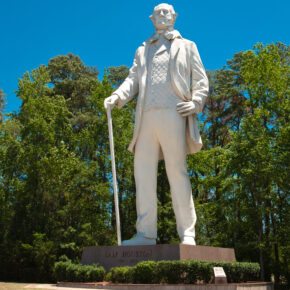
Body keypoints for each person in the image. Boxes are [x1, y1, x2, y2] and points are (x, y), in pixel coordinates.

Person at [104, 3, 208, 246]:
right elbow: (132, 80)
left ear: (174, 17)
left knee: (177, 172)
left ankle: (188, 233)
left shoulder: (187, 45)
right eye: (157, 13)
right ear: (151, 19)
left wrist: (196, 102)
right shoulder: (143, 50)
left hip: (174, 112)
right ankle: (146, 233)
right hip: (146, 117)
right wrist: (118, 96)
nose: (162, 15)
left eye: (166, 12)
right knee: (143, 173)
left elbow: (201, 80)